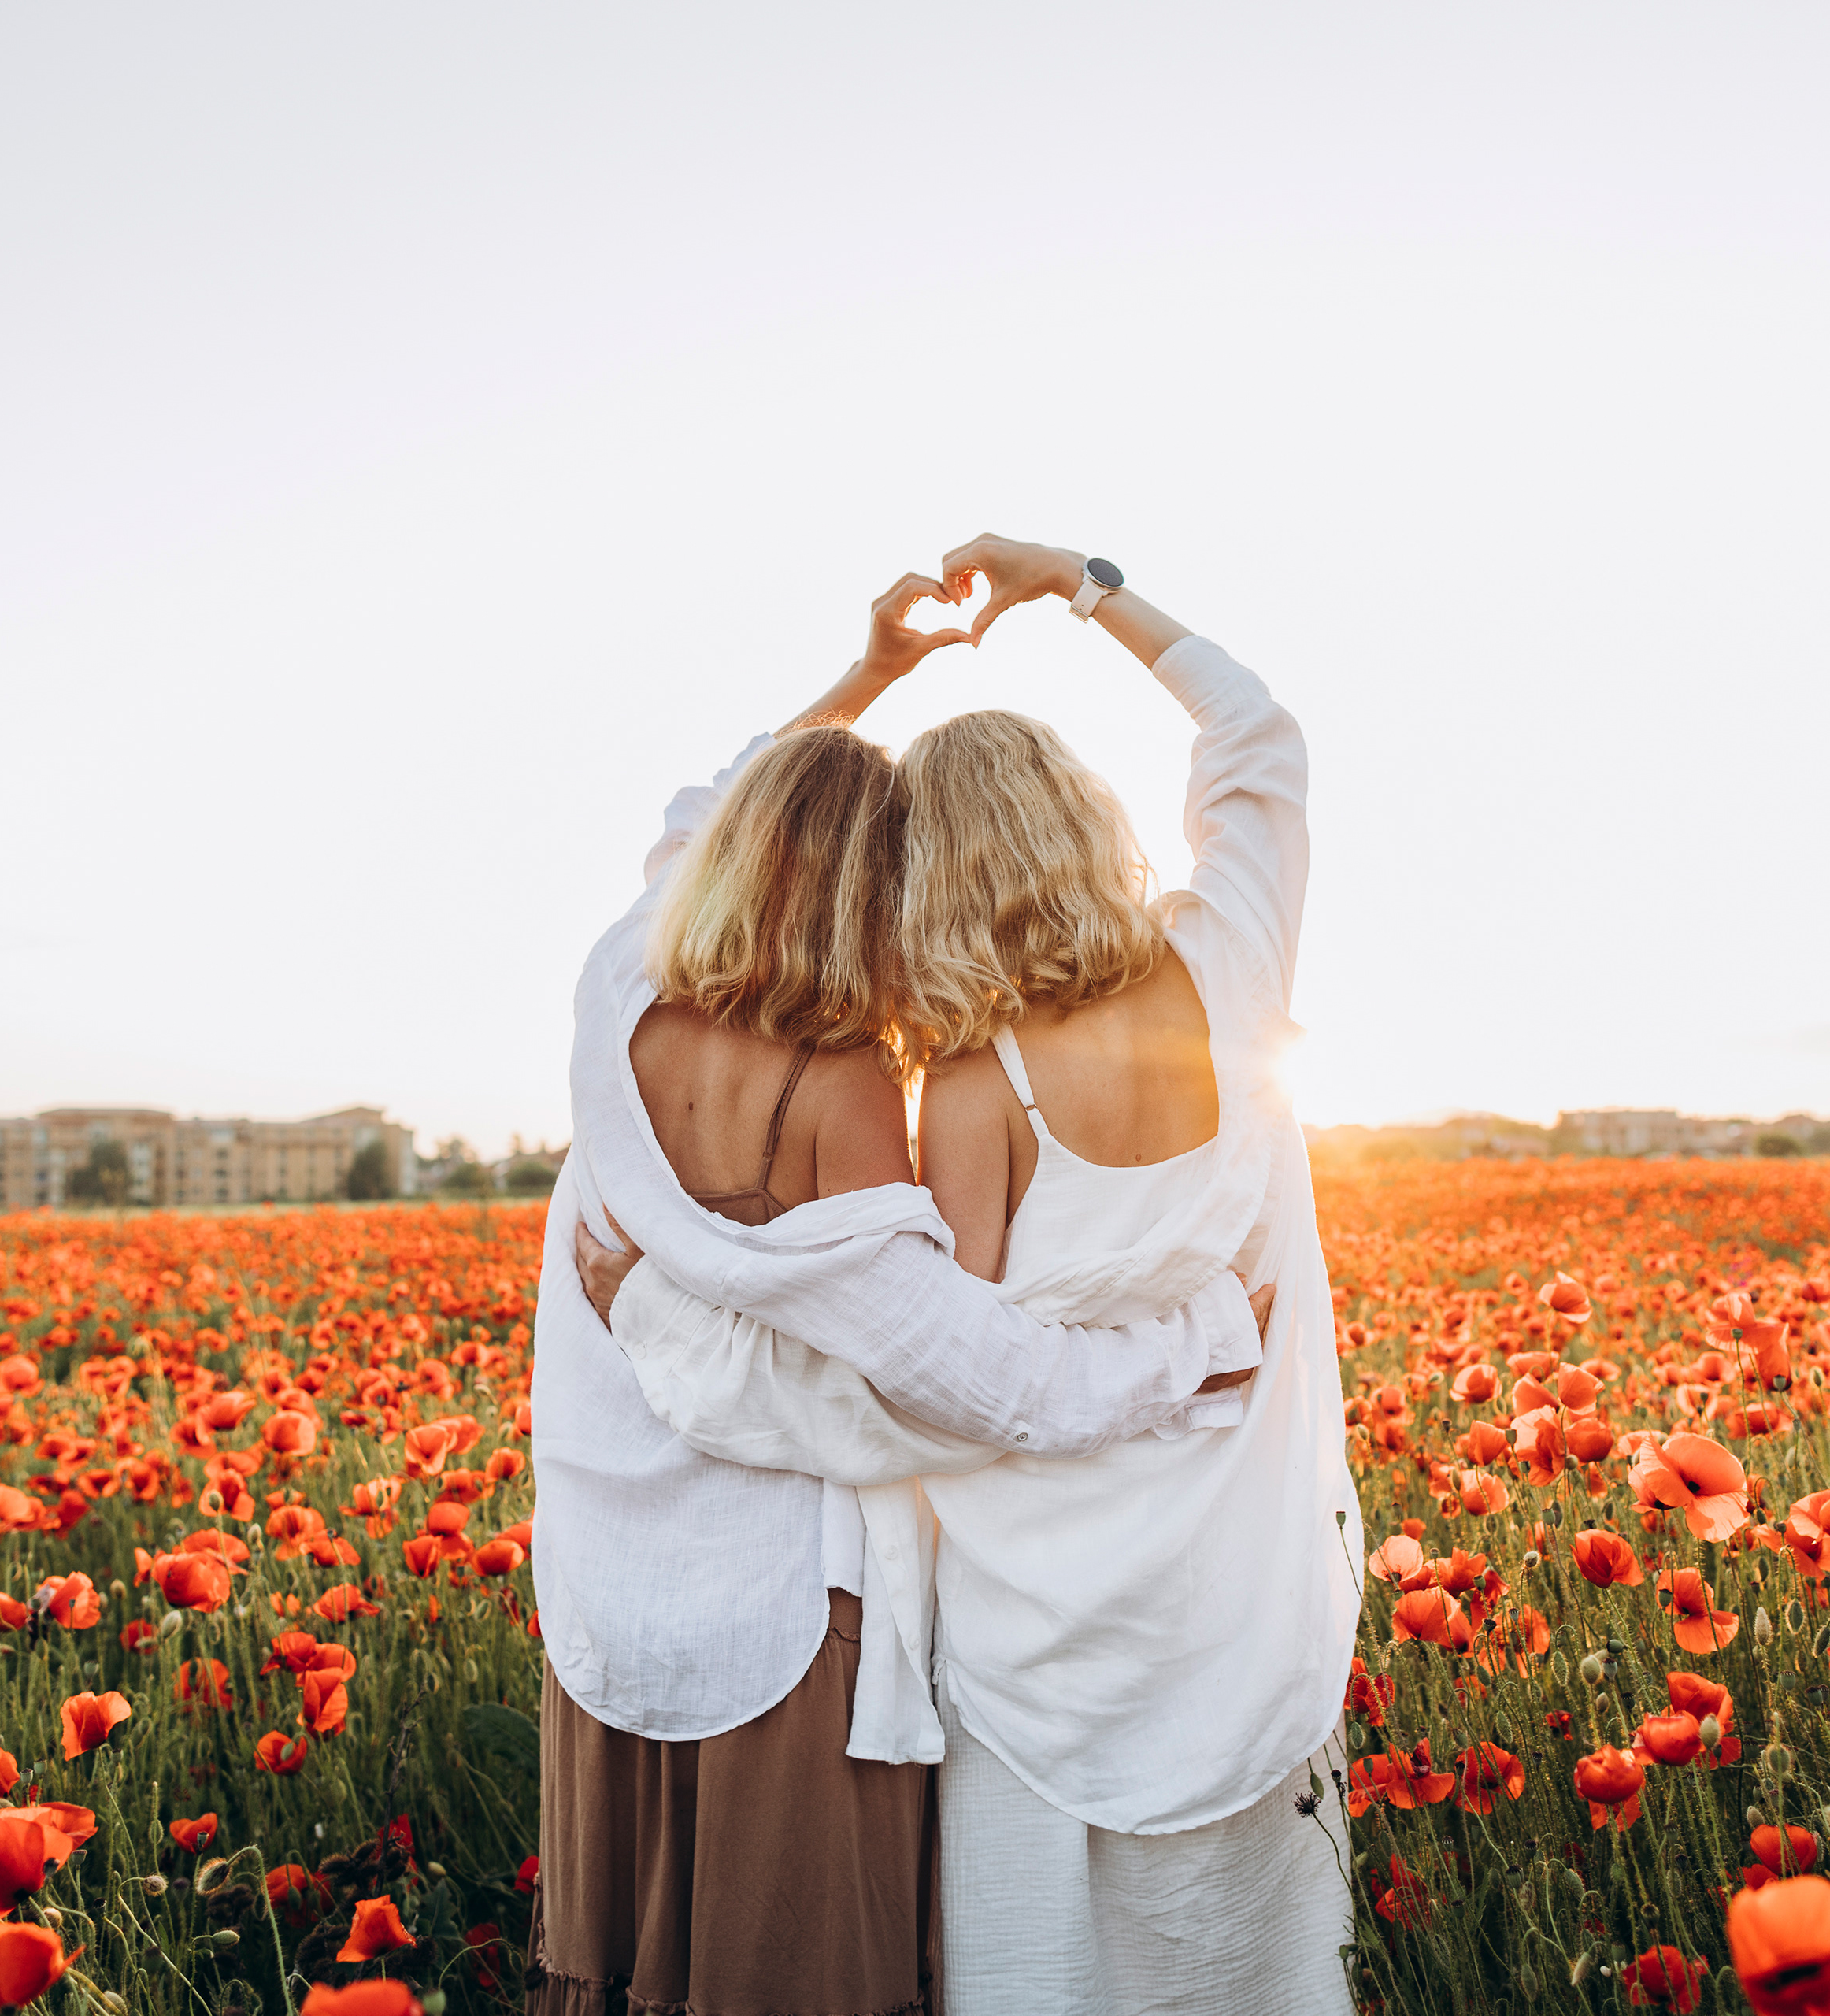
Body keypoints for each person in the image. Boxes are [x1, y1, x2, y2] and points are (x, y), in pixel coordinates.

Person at [580, 536, 1358, 2014]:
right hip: (1233, 1587)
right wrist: (1083, 584)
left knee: (1047, 1967)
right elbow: (1258, 736)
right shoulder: (1234, 971)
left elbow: (943, 1392)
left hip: (1035, 1621)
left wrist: (678, 1344)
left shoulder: (976, 1095)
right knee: (1246, 1953)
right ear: (1092, 824)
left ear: (928, 876)